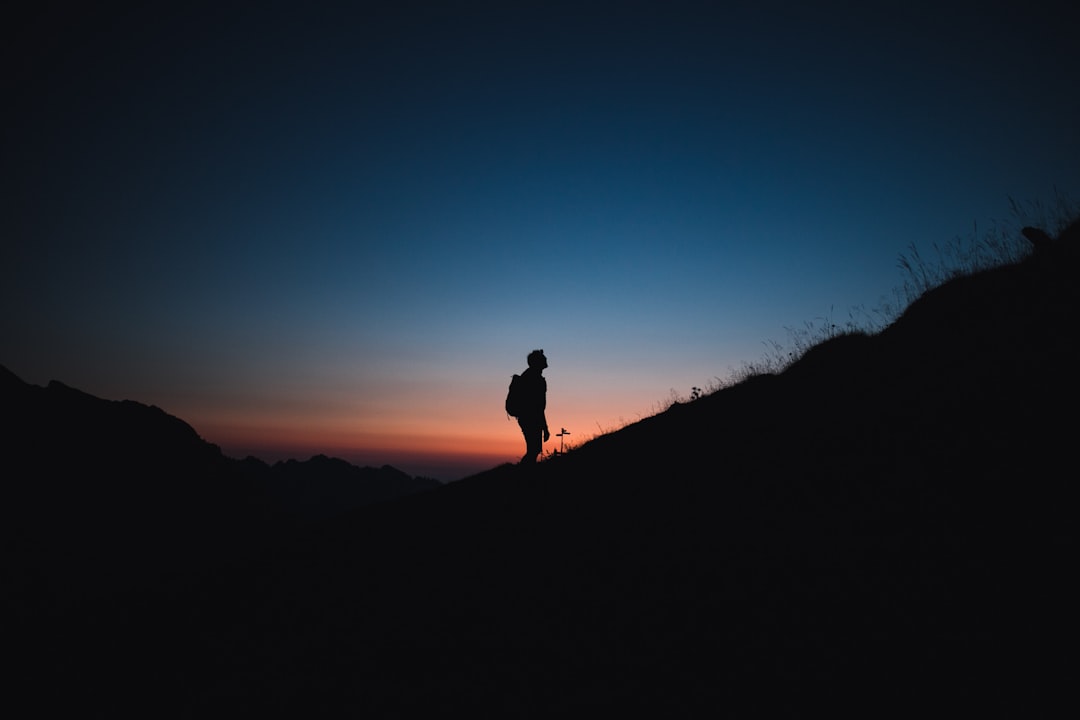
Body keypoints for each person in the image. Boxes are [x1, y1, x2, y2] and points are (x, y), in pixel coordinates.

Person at [516, 349, 550, 464]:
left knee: (533, 450)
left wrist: (544, 427)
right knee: (533, 450)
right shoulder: (534, 378)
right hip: (530, 418)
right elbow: (538, 406)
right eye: (543, 358)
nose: (546, 359)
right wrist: (545, 428)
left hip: (529, 418)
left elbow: (539, 407)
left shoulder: (531, 375)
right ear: (538, 362)